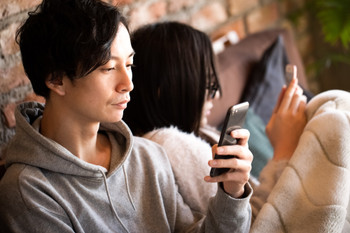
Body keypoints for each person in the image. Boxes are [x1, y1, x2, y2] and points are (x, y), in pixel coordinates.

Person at [0, 0, 254, 232]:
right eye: (109, 67)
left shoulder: (148, 156)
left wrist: (231, 193)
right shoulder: (29, 192)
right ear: (56, 79)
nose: (128, 83)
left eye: (130, 65)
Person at [123, 21, 307, 219]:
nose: (216, 95)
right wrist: (284, 150)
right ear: (165, 91)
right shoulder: (168, 143)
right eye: (208, 85)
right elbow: (254, 224)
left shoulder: (195, 133)